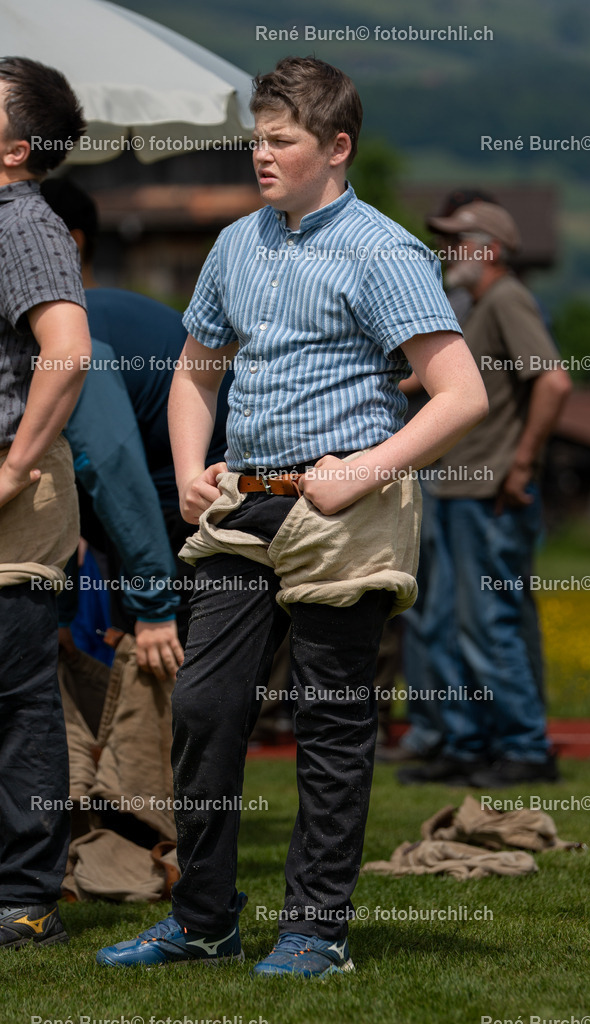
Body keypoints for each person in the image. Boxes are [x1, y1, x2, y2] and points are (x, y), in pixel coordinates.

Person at [96, 55, 488, 975]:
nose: (261, 155)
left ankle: (316, 930)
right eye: (257, 140)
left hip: (344, 511)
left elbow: (460, 393)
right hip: (244, 503)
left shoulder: (384, 251)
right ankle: (204, 921)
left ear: (336, 146)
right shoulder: (237, 243)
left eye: (282, 141)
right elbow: (196, 373)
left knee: (331, 720)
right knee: (204, 705)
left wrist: (363, 472)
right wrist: (188, 471)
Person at [397, 200, 572, 789]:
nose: (445, 250)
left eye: (456, 240)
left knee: (488, 624)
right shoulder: (477, 306)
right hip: (459, 488)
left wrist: (521, 464)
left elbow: (553, 381)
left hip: (487, 492)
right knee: (454, 625)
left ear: (489, 250)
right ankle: (468, 744)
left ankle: (524, 747)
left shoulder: (506, 299)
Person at [40, 179, 234, 677]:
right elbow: (60, 481)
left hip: (191, 495)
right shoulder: (61, 323)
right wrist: (60, 612)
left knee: (164, 665)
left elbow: (111, 465)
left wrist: (153, 605)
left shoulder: (72, 336)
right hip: (159, 493)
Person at [0, 57, 90, 948]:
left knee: (17, 699)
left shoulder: (23, 221)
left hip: (13, 498)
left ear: (17, 148)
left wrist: (14, 469)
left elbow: (68, 350)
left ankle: (25, 899)